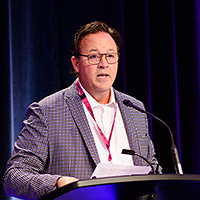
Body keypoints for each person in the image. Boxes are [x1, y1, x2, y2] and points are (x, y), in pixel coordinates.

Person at [3, 21, 161, 200]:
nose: (103, 64)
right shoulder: (47, 111)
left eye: (110, 55)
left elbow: (153, 169)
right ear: (76, 63)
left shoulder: (134, 109)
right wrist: (58, 184)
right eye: (93, 57)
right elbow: (14, 177)